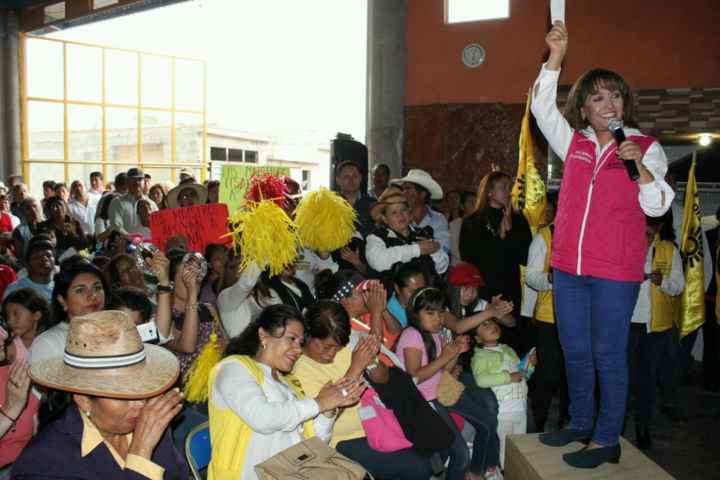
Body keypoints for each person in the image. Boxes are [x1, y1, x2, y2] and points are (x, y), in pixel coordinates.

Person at [529, 21, 674, 468]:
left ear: (624, 103)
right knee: (574, 351)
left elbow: (657, 205)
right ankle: (579, 422)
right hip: (569, 268)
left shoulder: (645, 146)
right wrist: (555, 57)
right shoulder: (573, 143)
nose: (608, 103)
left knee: (608, 356)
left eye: (614, 96)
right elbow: (540, 109)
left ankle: (607, 438)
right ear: (584, 108)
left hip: (615, 271)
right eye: (597, 97)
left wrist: (640, 168)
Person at [12, 310, 187, 479]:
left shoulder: (149, 421)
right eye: (124, 396)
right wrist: (140, 453)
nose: (141, 404)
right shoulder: (43, 465)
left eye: (144, 389)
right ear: (84, 400)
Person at [207, 304, 363, 480]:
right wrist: (319, 403)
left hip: (289, 473)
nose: (298, 349)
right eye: (291, 339)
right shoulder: (234, 368)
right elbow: (262, 418)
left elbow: (313, 443)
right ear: (263, 335)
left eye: (300, 342)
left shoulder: (288, 383)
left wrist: (328, 411)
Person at [294, 299, 437, 480]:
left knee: (430, 449)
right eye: (326, 347)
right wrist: (355, 369)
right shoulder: (298, 369)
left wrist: (371, 361)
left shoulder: (344, 346)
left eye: (337, 348)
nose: (332, 354)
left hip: (379, 423)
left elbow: (383, 379)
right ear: (307, 336)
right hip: (344, 439)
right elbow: (324, 421)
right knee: (417, 466)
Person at [396, 287, 506, 480]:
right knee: (460, 453)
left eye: (440, 312)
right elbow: (414, 378)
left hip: (441, 391)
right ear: (415, 314)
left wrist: (456, 352)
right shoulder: (412, 335)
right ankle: (471, 471)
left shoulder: (435, 333)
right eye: (430, 313)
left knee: (488, 422)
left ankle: (476, 472)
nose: (438, 318)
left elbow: (443, 371)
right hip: (424, 400)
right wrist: (445, 356)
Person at [628, 214, 683, 449]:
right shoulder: (626, 243)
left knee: (647, 380)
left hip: (655, 327)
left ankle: (643, 427)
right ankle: (615, 427)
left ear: (660, 226)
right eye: (645, 226)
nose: (648, 233)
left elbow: (679, 286)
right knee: (621, 378)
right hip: (626, 322)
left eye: (652, 228)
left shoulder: (669, 250)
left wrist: (663, 282)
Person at [460, 171, 532, 323]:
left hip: (510, 286)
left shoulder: (518, 220)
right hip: (482, 287)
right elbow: (468, 257)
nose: (508, 192)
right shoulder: (473, 222)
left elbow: (526, 257)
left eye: (509, 187)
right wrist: (500, 239)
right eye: (503, 187)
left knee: (511, 328)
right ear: (489, 192)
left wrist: (510, 233)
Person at [524, 192, 569, 433]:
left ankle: (568, 418)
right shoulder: (544, 237)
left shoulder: (582, 236)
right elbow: (531, 277)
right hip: (549, 316)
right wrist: (551, 279)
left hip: (577, 316)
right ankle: (538, 422)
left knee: (571, 372)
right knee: (547, 373)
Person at [471, 317, 535, 470]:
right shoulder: (480, 356)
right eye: (485, 324)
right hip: (504, 411)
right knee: (505, 449)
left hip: (520, 407)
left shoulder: (508, 349)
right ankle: (505, 472)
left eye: (492, 321)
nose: (492, 325)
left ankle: (516, 472)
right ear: (478, 338)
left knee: (519, 446)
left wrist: (530, 365)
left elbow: (522, 375)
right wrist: (508, 377)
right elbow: (481, 380)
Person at [0, 289, 49, 474]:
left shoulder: (47, 343)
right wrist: (10, 409)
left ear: (37, 315)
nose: (9, 324)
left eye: (16, 314)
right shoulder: (12, 352)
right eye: (7, 317)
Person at [29, 257, 109, 364]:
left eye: (97, 288)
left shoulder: (117, 333)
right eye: (80, 290)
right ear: (62, 301)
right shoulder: (48, 344)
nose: (92, 296)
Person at [365, 186, 449, 286]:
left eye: (403, 209)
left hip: (427, 293)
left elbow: (442, 268)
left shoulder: (422, 234)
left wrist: (435, 252)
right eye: (394, 212)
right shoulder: (375, 238)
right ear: (385, 218)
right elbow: (379, 262)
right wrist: (417, 249)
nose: (400, 215)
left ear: (409, 212)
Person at [390, 169, 450, 253]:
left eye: (408, 188)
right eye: (403, 189)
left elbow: (444, 249)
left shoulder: (438, 219)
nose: (403, 193)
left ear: (422, 194)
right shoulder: (399, 218)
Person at [334, 161, 376, 237]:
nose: (351, 180)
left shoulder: (373, 204)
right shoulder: (330, 203)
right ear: (338, 180)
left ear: (360, 178)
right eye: (346, 177)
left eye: (355, 176)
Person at [108, 168, 151, 235]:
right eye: (133, 179)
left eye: (140, 179)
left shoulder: (151, 204)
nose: (137, 182)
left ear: (144, 182)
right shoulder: (117, 203)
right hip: (125, 241)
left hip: (149, 241)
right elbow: (116, 226)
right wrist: (132, 238)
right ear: (127, 182)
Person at [449, 191, 476, 266]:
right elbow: (454, 248)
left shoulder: (482, 222)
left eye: (476, 201)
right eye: (470, 202)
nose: (474, 204)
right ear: (462, 206)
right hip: (460, 265)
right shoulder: (455, 224)